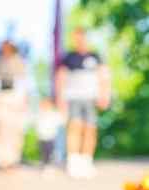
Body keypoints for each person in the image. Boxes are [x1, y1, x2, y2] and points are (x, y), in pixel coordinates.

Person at [56, 28, 111, 178]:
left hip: (90, 97)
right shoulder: (68, 57)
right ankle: (73, 161)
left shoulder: (95, 56)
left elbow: (103, 75)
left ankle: (87, 160)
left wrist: (105, 94)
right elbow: (61, 77)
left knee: (90, 128)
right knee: (75, 126)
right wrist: (60, 98)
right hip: (73, 97)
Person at [0, 41, 29, 168]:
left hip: (16, 98)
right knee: (2, 129)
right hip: (2, 98)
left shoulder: (19, 62)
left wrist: (23, 100)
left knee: (15, 129)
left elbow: (23, 82)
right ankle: (3, 159)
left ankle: (14, 158)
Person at [36, 98, 63, 165]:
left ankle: (50, 162)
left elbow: (61, 120)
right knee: (43, 152)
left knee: (51, 152)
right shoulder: (40, 115)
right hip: (42, 138)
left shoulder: (54, 114)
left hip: (51, 138)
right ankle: (44, 162)